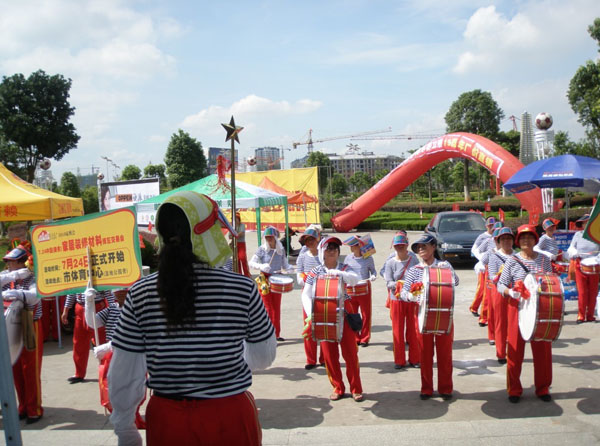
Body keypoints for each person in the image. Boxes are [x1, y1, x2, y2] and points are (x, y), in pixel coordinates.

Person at [108, 191, 276, 446]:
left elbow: (123, 371)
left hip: (168, 419)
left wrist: (124, 427)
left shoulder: (139, 293)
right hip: (230, 416)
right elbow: (263, 357)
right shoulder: (243, 288)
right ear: (207, 233)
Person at [301, 236, 363, 401]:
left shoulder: (345, 267)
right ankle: (338, 387)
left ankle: (356, 388)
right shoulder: (316, 271)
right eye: (328, 248)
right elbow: (305, 295)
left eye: (335, 248)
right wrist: (312, 314)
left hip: (345, 312)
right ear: (322, 251)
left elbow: (355, 279)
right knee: (329, 355)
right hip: (323, 314)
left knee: (350, 353)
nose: (332, 251)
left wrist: (339, 273)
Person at [497, 224, 553, 403]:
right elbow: (501, 285)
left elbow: (551, 281)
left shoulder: (544, 260)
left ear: (536, 240)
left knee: (543, 350)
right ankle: (514, 389)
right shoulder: (512, 260)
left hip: (540, 308)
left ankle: (543, 388)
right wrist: (510, 292)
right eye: (522, 238)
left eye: (529, 237)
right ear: (517, 241)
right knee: (514, 350)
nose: (526, 241)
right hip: (517, 308)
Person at [401, 234, 459, 400]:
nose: (421, 250)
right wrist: (412, 296)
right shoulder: (414, 270)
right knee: (425, 354)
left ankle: (445, 388)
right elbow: (404, 292)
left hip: (443, 314)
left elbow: (455, 282)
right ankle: (426, 388)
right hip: (421, 316)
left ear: (434, 247)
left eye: (424, 246)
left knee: (445, 354)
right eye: (418, 247)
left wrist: (445, 271)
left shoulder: (444, 265)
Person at [1, 244, 43, 423]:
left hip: (29, 323)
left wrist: (16, 293)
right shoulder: (9, 278)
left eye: (12, 262)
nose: (9, 266)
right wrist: (13, 277)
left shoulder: (33, 277)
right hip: (11, 325)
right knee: (15, 366)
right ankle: (23, 406)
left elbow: (35, 296)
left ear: (22, 262)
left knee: (30, 368)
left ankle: (34, 408)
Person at [62, 288, 115, 383]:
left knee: (101, 342)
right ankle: (79, 373)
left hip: (97, 307)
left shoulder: (99, 274)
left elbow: (108, 293)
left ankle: (106, 372)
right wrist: (66, 310)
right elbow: (71, 292)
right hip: (80, 308)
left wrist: (113, 310)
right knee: (79, 342)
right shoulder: (76, 274)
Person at [384, 232, 420, 369]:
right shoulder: (390, 263)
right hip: (396, 299)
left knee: (413, 330)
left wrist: (411, 286)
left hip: (411, 300)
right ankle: (399, 360)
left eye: (402, 245)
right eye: (397, 246)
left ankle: (414, 359)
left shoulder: (414, 260)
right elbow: (388, 282)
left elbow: (418, 278)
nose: (400, 248)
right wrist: (400, 284)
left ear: (407, 245)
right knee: (397, 331)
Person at [249, 226, 291, 341]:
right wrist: (261, 266)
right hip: (264, 280)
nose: (269, 239)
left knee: (276, 308)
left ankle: (276, 334)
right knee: (268, 308)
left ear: (275, 237)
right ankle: (268, 334)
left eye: (271, 237)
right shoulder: (261, 249)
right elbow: (251, 263)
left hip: (277, 279)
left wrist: (289, 268)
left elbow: (284, 264)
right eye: (267, 237)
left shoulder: (280, 250)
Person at [296, 227, 323, 370]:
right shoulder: (302, 256)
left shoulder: (323, 255)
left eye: (312, 240)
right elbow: (299, 272)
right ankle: (310, 359)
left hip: (323, 292)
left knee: (324, 325)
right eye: (307, 241)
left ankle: (324, 357)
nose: (310, 243)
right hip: (307, 293)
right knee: (309, 325)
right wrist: (303, 279)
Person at [487, 227, 515, 364]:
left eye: (509, 238)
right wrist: (500, 274)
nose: (506, 241)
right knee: (500, 322)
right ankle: (501, 352)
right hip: (499, 291)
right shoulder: (494, 257)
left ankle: (514, 350)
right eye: (503, 239)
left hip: (515, 291)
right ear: (498, 241)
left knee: (514, 322)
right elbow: (491, 276)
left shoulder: (517, 256)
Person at [343, 235, 377, 346]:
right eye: (351, 246)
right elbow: (345, 271)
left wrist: (373, 276)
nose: (352, 248)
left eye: (354, 245)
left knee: (366, 314)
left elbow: (373, 271)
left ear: (360, 246)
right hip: (351, 288)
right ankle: (355, 336)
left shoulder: (368, 258)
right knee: (352, 313)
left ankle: (365, 337)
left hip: (364, 288)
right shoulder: (348, 258)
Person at [566, 214, 599, 323]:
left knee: (593, 292)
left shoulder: (597, 235)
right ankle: (581, 315)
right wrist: (573, 252)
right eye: (585, 223)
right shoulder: (577, 235)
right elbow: (571, 248)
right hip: (580, 265)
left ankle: (590, 315)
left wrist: (598, 259)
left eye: (589, 222)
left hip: (595, 266)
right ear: (582, 224)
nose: (587, 224)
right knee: (582, 292)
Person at [470, 217, 497, 321]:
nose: (492, 227)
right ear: (486, 226)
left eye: (494, 225)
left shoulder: (500, 237)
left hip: (495, 268)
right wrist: (483, 260)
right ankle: (476, 309)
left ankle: (482, 312)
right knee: (482, 289)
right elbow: (475, 250)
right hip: (484, 267)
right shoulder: (483, 237)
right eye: (490, 225)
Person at [228, 212, 251, 277]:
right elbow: (229, 236)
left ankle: (247, 275)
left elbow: (242, 234)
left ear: (238, 219)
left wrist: (234, 235)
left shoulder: (242, 225)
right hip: (235, 244)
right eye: (233, 219)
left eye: (235, 219)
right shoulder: (231, 226)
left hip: (241, 244)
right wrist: (236, 235)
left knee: (243, 258)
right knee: (236, 259)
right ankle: (240, 275)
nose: (234, 220)